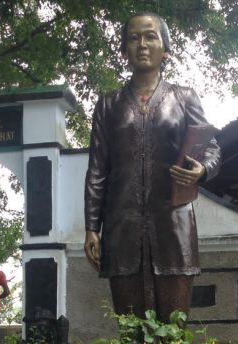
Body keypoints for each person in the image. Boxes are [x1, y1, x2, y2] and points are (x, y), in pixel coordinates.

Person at [84, 12, 221, 322]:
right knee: (131, 332)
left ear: (166, 49)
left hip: (173, 222)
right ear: (123, 51)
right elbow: (97, 170)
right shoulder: (108, 104)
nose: (142, 44)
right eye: (133, 38)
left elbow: (211, 147)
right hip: (122, 225)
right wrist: (92, 227)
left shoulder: (184, 98)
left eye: (150, 37)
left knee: (173, 329)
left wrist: (202, 169)